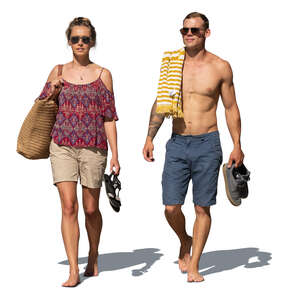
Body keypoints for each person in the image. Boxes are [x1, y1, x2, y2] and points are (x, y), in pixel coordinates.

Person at [143, 12, 244, 282]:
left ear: (206, 33)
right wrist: (150, 136)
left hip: (207, 143)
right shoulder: (172, 63)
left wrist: (237, 145)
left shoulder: (220, 66)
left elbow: (231, 107)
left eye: (195, 30)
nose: (189, 34)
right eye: (185, 29)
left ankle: (196, 264)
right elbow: (161, 101)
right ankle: (184, 239)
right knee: (171, 208)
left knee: (202, 208)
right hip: (177, 142)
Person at [38, 17, 120, 287]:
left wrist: (116, 156)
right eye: (76, 39)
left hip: (94, 148)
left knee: (91, 208)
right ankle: (73, 269)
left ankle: (93, 253)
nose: (80, 43)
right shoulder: (58, 70)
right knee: (69, 207)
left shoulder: (103, 74)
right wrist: (52, 89)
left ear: (92, 41)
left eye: (85, 39)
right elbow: (41, 103)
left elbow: (109, 117)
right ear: (69, 42)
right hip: (61, 145)